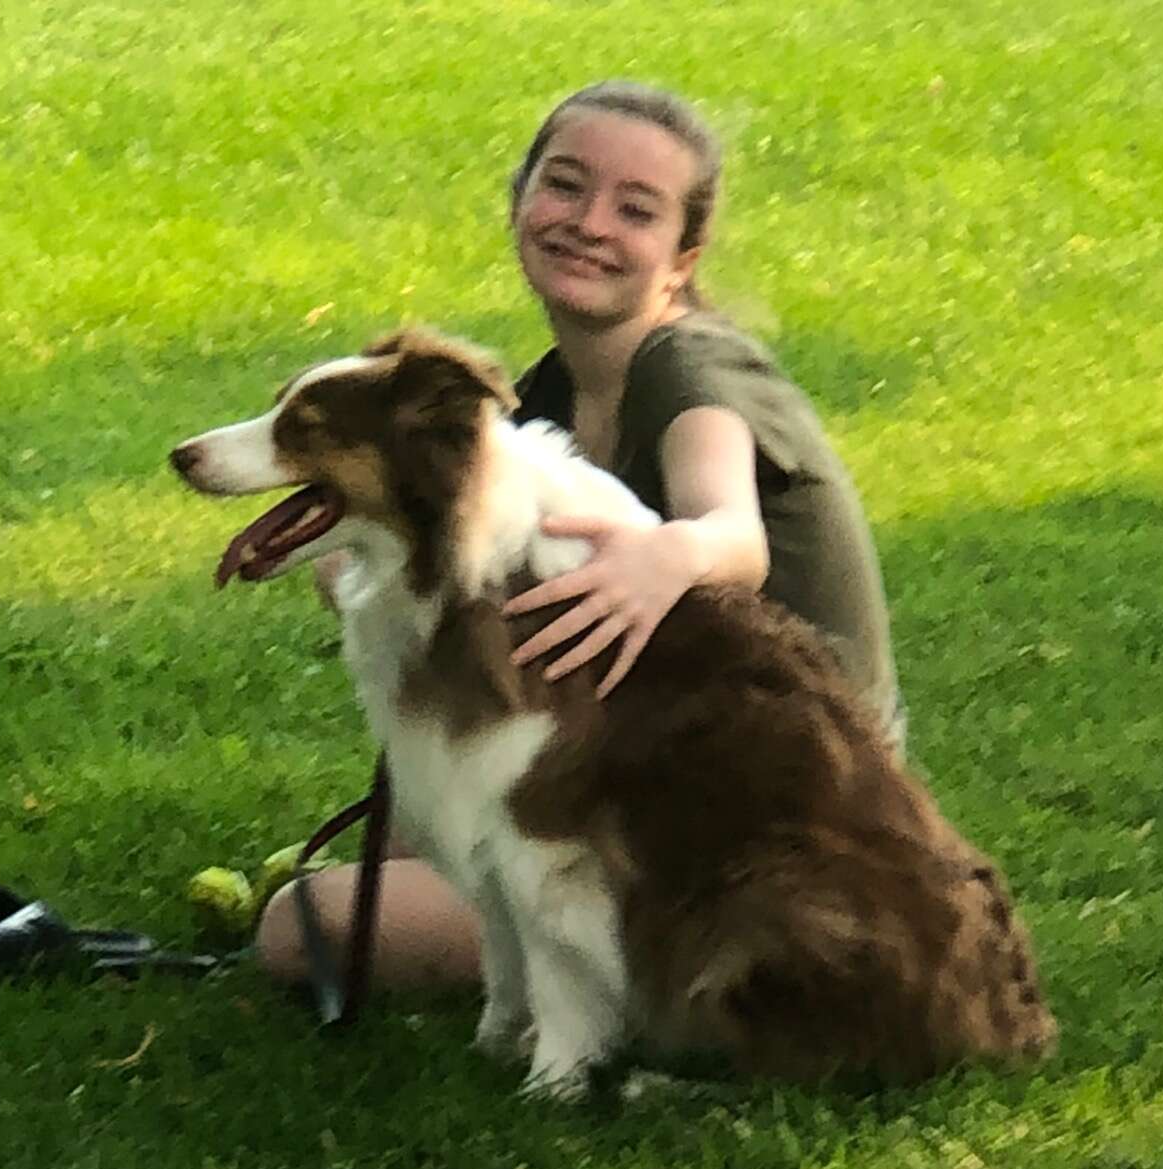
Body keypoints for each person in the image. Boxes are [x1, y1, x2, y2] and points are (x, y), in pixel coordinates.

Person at [254, 80, 903, 992]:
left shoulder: (692, 364)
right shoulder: (550, 393)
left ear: (681, 258)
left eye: (636, 210)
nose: (590, 223)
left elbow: (732, 532)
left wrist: (667, 557)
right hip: (624, 758)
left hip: (776, 818)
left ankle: (649, 979)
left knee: (308, 926)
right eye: (564, 185)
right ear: (518, 198)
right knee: (414, 825)